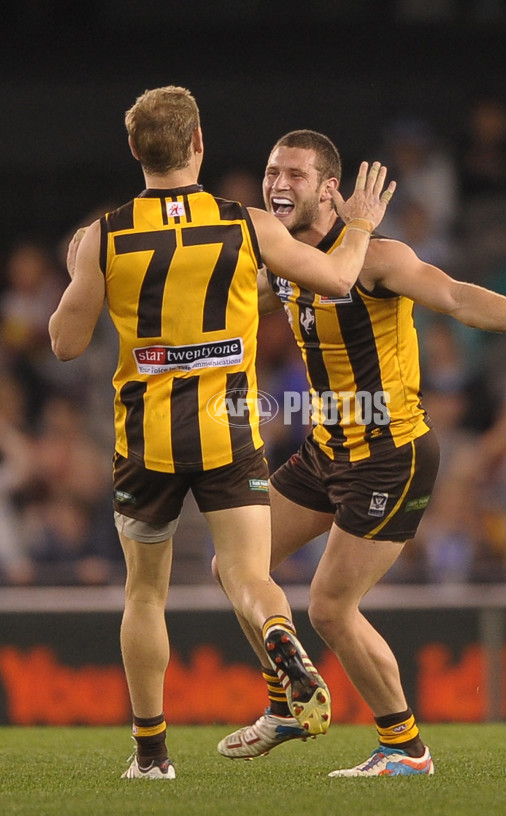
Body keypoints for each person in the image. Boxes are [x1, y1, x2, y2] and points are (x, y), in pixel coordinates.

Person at [48, 88, 395, 780]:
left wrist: (84, 274)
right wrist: (356, 223)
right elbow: (335, 277)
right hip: (227, 430)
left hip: (145, 437)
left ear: (134, 151)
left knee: (145, 592)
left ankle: (151, 756)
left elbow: (62, 343)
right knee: (246, 572)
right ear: (199, 142)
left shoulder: (104, 235)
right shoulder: (248, 224)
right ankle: (279, 638)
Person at [214, 129, 506, 777]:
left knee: (329, 606)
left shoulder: (377, 258)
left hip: (391, 454)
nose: (277, 184)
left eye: (294, 175)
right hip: (327, 448)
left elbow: (455, 296)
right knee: (233, 562)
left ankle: (406, 749)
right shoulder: (281, 254)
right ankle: (286, 705)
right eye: (273, 171)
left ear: (330, 189)